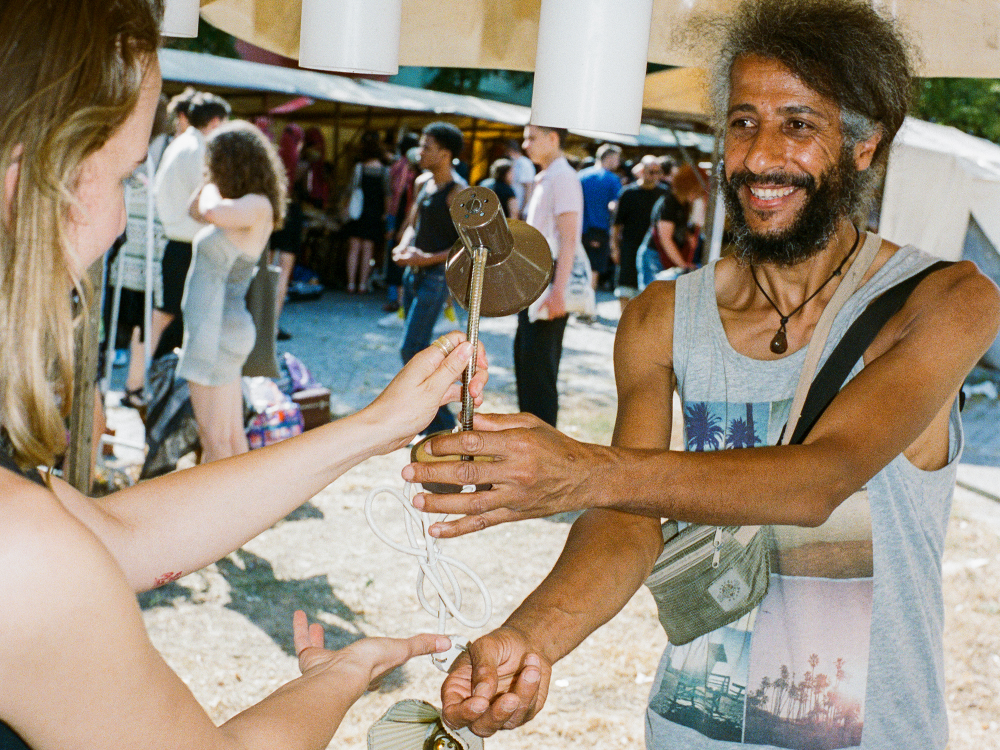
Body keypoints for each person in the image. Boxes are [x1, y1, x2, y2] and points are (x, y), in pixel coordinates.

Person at [402, 1, 1000, 748]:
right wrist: (531, 638)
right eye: (743, 121)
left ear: (864, 145)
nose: (756, 156)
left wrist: (580, 469)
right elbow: (627, 519)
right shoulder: (662, 316)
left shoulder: (945, 299)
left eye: (798, 124)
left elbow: (820, 479)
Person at [0, 4, 489, 749]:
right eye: (126, 177)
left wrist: (376, 427)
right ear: (31, 177)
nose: (121, 225)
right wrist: (341, 675)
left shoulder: (30, 537)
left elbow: (113, 533)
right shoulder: (22, 556)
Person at [177, 120, 284, 462]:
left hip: (216, 331)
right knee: (231, 440)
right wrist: (212, 182)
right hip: (216, 329)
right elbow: (193, 209)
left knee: (216, 442)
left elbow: (207, 209)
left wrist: (211, 183)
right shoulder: (245, 204)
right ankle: (248, 513)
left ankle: (224, 512)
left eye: (213, 161)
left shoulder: (255, 203)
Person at [392, 122, 468, 436]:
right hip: (414, 273)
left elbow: (466, 245)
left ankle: (441, 422)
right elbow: (412, 222)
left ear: (445, 153)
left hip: (437, 276)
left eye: (426, 146)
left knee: (412, 349)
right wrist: (404, 245)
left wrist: (426, 258)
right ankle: (428, 417)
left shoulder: (458, 192)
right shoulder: (424, 182)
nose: (419, 152)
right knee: (418, 348)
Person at [513, 125, 583, 427]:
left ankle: (542, 444)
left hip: (549, 277)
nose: (525, 144)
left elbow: (569, 239)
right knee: (527, 364)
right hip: (535, 277)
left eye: (532, 137)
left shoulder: (563, 176)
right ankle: (531, 440)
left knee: (539, 369)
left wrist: (558, 292)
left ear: (553, 139)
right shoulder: (546, 176)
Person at [151, 91, 231, 356]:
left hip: (176, 240)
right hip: (185, 244)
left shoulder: (181, 143)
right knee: (168, 315)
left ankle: (145, 380)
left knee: (170, 315)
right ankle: (138, 381)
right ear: (216, 122)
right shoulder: (198, 149)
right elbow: (205, 206)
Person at [636, 163, 708, 290]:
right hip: (654, 256)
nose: (697, 195)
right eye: (696, 191)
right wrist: (683, 265)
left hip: (666, 258)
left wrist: (688, 236)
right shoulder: (669, 204)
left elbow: (679, 229)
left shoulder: (684, 204)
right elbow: (666, 240)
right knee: (652, 301)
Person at [611, 154, 667, 310]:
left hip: (653, 250)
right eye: (651, 171)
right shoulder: (628, 193)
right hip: (629, 247)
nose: (655, 176)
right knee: (625, 289)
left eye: (658, 172)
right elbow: (616, 224)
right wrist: (614, 247)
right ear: (642, 171)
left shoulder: (664, 194)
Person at [270, 123, 306, 340]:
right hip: (292, 212)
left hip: (274, 208)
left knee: (265, 268)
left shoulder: (273, 158)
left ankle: (259, 321)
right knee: (283, 272)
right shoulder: (302, 166)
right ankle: (273, 324)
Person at [343, 129, 389, 294]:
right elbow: (387, 194)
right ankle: (362, 284)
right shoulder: (384, 170)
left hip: (358, 211)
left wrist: (345, 209)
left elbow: (350, 190)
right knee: (368, 249)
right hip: (375, 212)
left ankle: (350, 283)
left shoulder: (359, 168)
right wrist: (385, 213)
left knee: (354, 248)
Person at [578, 143, 623, 289]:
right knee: (594, 268)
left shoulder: (580, 176)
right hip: (599, 229)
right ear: (608, 158)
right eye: (616, 159)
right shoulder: (612, 179)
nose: (618, 163)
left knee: (578, 265)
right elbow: (615, 206)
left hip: (578, 228)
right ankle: (588, 306)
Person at [506, 139, 536, 219]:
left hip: (522, 209)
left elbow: (529, 187)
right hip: (516, 208)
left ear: (510, 150)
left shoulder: (524, 163)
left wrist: (523, 209)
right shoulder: (514, 162)